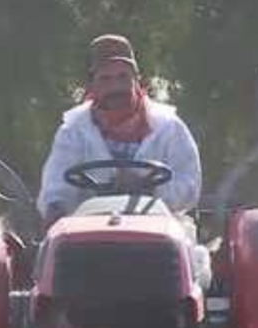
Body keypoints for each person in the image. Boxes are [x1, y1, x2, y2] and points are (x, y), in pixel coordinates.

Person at [36, 34, 202, 226]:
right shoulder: (73, 131)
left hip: (158, 228)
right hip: (90, 232)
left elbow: (189, 185)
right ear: (93, 85)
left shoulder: (169, 127)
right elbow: (55, 188)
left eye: (123, 77)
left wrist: (151, 191)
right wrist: (56, 208)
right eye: (106, 79)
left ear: (137, 81)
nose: (115, 87)